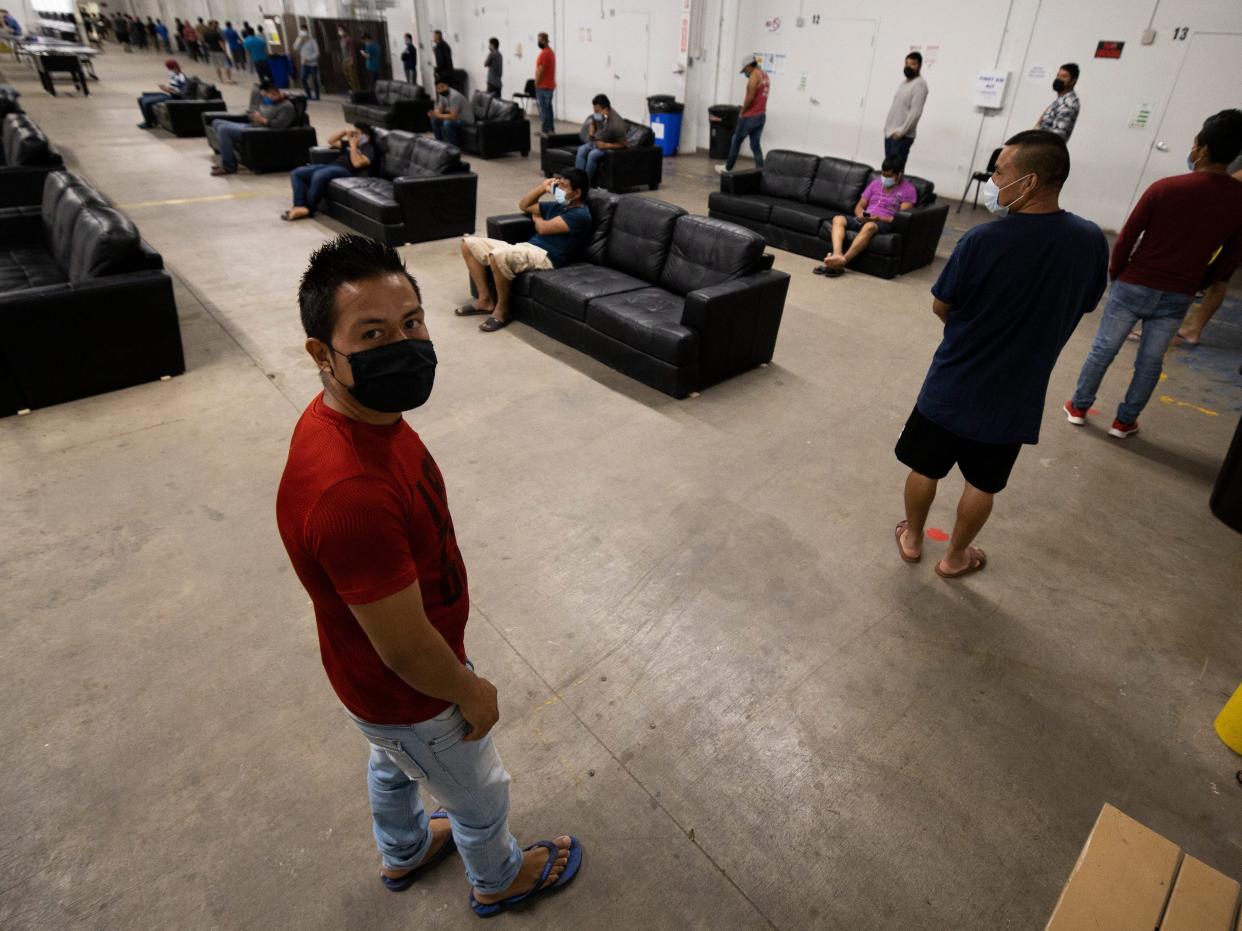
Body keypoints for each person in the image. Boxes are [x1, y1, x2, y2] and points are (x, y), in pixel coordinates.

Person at [277, 233, 582, 917]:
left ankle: (405, 848)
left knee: (392, 763)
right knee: (477, 790)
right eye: (374, 332)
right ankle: (499, 875)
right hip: (410, 688)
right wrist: (468, 689)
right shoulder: (348, 490)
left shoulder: (357, 416)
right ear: (322, 354)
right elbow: (407, 648)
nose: (405, 344)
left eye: (411, 322)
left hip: (371, 687)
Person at [894, 130, 1107, 578]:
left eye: (998, 172)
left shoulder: (982, 241)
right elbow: (1085, 303)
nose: (992, 181)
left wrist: (974, 333)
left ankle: (912, 538)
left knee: (925, 466)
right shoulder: (1089, 241)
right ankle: (955, 558)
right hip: (1017, 392)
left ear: (1027, 182)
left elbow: (941, 305)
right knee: (982, 481)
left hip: (954, 381)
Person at [1065, 110, 1242, 438]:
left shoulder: (1166, 188)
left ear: (1202, 150)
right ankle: (1124, 421)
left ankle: (1079, 406)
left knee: (1104, 348)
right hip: (1179, 293)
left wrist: (1117, 273)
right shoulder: (1238, 200)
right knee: (1150, 361)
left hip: (1135, 282)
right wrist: (1197, 282)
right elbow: (1230, 259)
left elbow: (1128, 236)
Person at [455, 169, 593, 333]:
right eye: (558, 185)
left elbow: (543, 228)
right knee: (468, 243)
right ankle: (484, 300)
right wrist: (542, 188)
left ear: (577, 193)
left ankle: (502, 311)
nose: (558, 190)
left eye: (563, 187)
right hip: (527, 248)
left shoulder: (580, 215)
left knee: (498, 255)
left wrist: (538, 218)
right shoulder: (558, 206)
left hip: (546, 257)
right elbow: (524, 205)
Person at [1176, 154, 1242, 345]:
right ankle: (1188, 328)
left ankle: (1177, 328)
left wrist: (1211, 184)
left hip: (1229, 216)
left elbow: (1232, 180)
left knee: (1207, 272)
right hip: (1227, 213)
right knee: (1217, 275)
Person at [817, 157, 917, 277]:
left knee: (869, 226)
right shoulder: (875, 184)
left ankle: (842, 261)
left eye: (889, 176)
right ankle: (837, 254)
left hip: (882, 222)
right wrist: (861, 215)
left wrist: (878, 218)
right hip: (866, 217)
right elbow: (860, 205)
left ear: (899, 174)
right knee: (838, 219)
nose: (885, 178)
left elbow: (901, 219)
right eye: (883, 174)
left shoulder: (909, 190)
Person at [283, 125, 374, 221]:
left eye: (356, 134)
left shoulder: (369, 149)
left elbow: (357, 164)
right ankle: (299, 206)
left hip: (347, 171)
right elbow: (331, 141)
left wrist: (353, 146)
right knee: (297, 172)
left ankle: (309, 208)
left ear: (366, 136)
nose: (353, 136)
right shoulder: (350, 143)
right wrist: (344, 131)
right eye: (353, 133)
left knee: (319, 175)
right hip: (332, 165)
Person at [211, 79, 296, 176]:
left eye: (265, 96)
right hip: (253, 125)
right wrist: (253, 116)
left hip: (258, 131)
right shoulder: (271, 102)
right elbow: (260, 113)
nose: (264, 98)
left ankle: (228, 166)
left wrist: (263, 120)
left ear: (273, 93)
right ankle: (230, 158)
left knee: (223, 130)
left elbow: (281, 125)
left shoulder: (286, 106)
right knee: (216, 122)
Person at [715, 56, 769, 174]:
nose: (745, 73)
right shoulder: (764, 75)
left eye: (745, 70)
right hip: (761, 116)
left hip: (750, 117)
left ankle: (728, 168)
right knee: (755, 144)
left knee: (736, 140)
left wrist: (742, 111)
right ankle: (761, 169)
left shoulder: (754, 75)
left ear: (749, 66)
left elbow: (750, 98)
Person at [884, 51, 928, 167]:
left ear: (919, 66)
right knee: (888, 170)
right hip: (890, 133)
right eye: (906, 63)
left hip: (902, 137)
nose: (908, 66)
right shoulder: (904, 83)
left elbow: (915, 112)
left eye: (912, 64)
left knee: (895, 172)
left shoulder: (920, 85)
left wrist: (901, 132)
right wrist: (888, 129)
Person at [575, 94, 627, 186]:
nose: (595, 113)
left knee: (592, 154)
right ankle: (576, 180)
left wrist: (606, 145)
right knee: (581, 149)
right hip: (597, 142)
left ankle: (586, 184)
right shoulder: (600, 115)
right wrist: (591, 130)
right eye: (594, 110)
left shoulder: (617, 124)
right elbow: (594, 124)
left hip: (609, 147)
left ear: (606, 110)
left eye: (597, 111)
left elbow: (624, 145)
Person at [136, 59, 187, 129]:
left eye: (170, 68)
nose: (170, 70)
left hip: (174, 98)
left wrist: (166, 89)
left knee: (146, 102)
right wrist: (166, 88)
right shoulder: (174, 75)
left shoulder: (181, 77)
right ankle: (147, 120)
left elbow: (180, 92)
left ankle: (148, 123)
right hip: (170, 95)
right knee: (140, 99)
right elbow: (174, 87)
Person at [1035, 63, 1080, 141]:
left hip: (1045, 149)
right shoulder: (1061, 100)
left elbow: (1056, 137)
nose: (1058, 79)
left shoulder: (1068, 104)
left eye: (1063, 76)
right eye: (1058, 75)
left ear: (1073, 81)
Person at [428, 72, 474, 147]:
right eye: (438, 88)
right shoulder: (442, 94)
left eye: (442, 87)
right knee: (434, 119)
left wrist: (437, 115)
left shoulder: (454, 96)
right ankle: (439, 145)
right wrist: (434, 113)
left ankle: (453, 148)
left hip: (465, 119)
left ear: (447, 85)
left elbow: (453, 116)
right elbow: (440, 110)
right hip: (456, 118)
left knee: (447, 123)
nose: (440, 90)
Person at [534, 32, 556, 136]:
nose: (538, 42)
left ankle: (545, 131)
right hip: (550, 86)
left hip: (543, 86)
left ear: (543, 40)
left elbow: (541, 70)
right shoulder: (551, 52)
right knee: (548, 109)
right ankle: (550, 129)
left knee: (544, 110)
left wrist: (536, 82)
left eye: (539, 40)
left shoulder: (544, 53)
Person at [293, 26, 320, 100]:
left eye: (304, 30)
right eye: (301, 30)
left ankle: (317, 96)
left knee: (314, 80)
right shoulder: (299, 39)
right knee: (303, 79)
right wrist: (300, 41)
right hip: (304, 64)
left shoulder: (312, 40)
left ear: (307, 31)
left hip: (313, 64)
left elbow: (317, 53)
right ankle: (308, 95)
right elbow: (295, 48)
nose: (302, 32)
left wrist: (309, 59)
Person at [205, 20, 234, 85]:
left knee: (217, 66)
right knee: (226, 65)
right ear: (211, 25)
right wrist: (225, 51)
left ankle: (221, 79)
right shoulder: (216, 33)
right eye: (214, 24)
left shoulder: (206, 33)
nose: (215, 26)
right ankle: (228, 79)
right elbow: (220, 43)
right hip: (219, 51)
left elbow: (206, 43)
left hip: (212, 51)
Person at [338, 26, 358, 92]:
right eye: (338, 30)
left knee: (352, 76)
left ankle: (356, 90)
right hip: (344, 59)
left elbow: (352, 50)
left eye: (340, 30)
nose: (339, 32)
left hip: (349, 59)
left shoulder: (349, 39)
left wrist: (352, 59)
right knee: (347, 76)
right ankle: (352, 89)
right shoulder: (341, 40)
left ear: (345, 31)